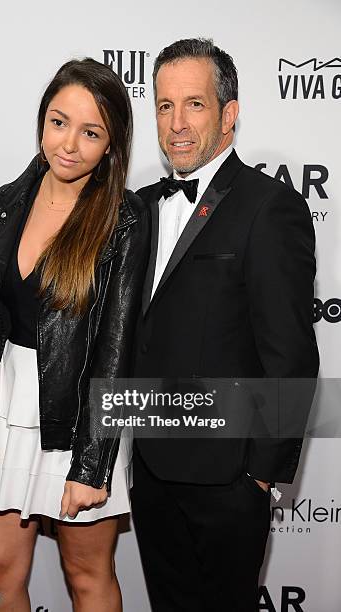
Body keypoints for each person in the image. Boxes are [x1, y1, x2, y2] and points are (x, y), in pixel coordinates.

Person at [0, 57, 149, 612]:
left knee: (87, 577)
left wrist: (92, 465)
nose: (68, 144)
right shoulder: (11, 200)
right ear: (42, 120)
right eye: (59, 122)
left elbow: (116, 348)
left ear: (111, 144)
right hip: (3, 404)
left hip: (78, 414)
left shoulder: (124, 221)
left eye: (91, 132)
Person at [131, 38, 319, 612]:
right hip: (148, 469)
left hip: (226, 479)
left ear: (229, 113)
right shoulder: (137, 208)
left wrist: (259, 476)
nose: (177, 123)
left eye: (194, 104)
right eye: (165, 106)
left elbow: (290, 354)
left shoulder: (270, 207)